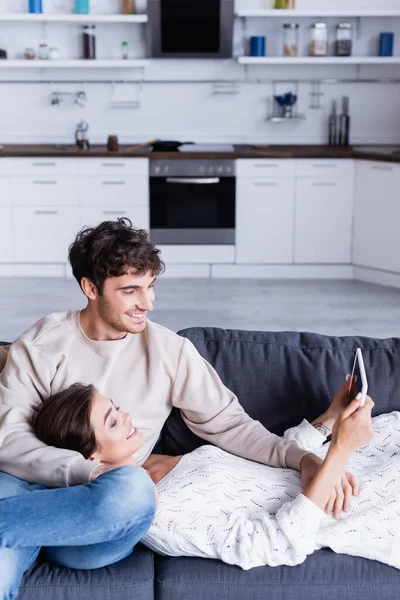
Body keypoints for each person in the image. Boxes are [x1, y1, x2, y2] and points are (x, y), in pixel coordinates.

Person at [0, 219, 356, 597]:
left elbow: (232, 425)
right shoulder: (43, 345)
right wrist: (89, 470)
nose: (147, 303)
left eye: (150, 286)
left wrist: (303, 459)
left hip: (107, 512)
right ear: (90, 288)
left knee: (134, 489)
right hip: (25, 491)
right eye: (130, 290)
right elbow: (8, 439)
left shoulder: (170, 353)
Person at [31, 379, 400, 571]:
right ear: (89, 455)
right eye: (112, 421)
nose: (127, 417)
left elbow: (260, 471)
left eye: (117, 408)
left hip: (350, 462)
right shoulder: (158, 514)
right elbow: (275, 545)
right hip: (362, 499)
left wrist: (328, 422)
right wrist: (340, 451)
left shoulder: (150, 461)